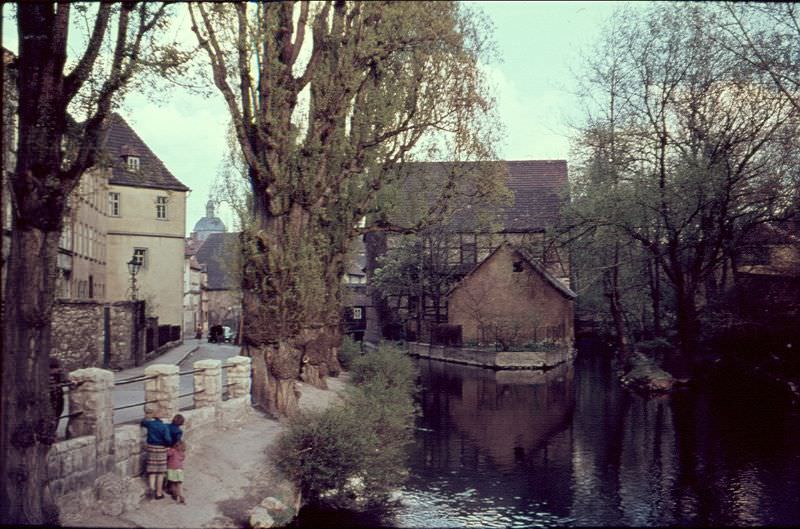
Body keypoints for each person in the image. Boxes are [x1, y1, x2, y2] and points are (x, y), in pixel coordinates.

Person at [141, 413, 172, 499]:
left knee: (152, 471)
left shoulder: (150, 424)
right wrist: (168, 445)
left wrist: (146, 418)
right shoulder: (164, 427)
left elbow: (143, 422)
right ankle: (159, 493)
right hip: (161, 449)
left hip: (151, 448)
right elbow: (168, 439)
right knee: (160, 472)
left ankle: (151, 490)